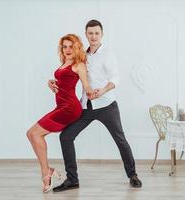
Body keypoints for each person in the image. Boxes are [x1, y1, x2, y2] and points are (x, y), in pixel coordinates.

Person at [50, 20, 142, 192]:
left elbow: (115, 78)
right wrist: (53, 82)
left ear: (102, 34)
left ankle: (133, 175)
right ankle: (72, 180)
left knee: (120, 140)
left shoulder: (108, 54)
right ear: (86, 34)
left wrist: (103, 91)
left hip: (107, 105)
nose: (93, 36)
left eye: (96, 33)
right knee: (66, 137)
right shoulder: (81, 56)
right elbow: (68, 74)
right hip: (86, 107)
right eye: (90, 33)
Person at [26, 34, 93, 193]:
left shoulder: (79, 65)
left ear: (76, 47)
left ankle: (45, 173)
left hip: (69, 108)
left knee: (36, 135)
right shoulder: (64, 63)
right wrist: (51, 83)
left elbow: (86, 85)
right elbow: (62, 81)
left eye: (71, 46)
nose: (68, 49)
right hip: (61, 106)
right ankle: (47, 170)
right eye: (65, 46)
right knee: (30, 133)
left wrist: (93, 92)